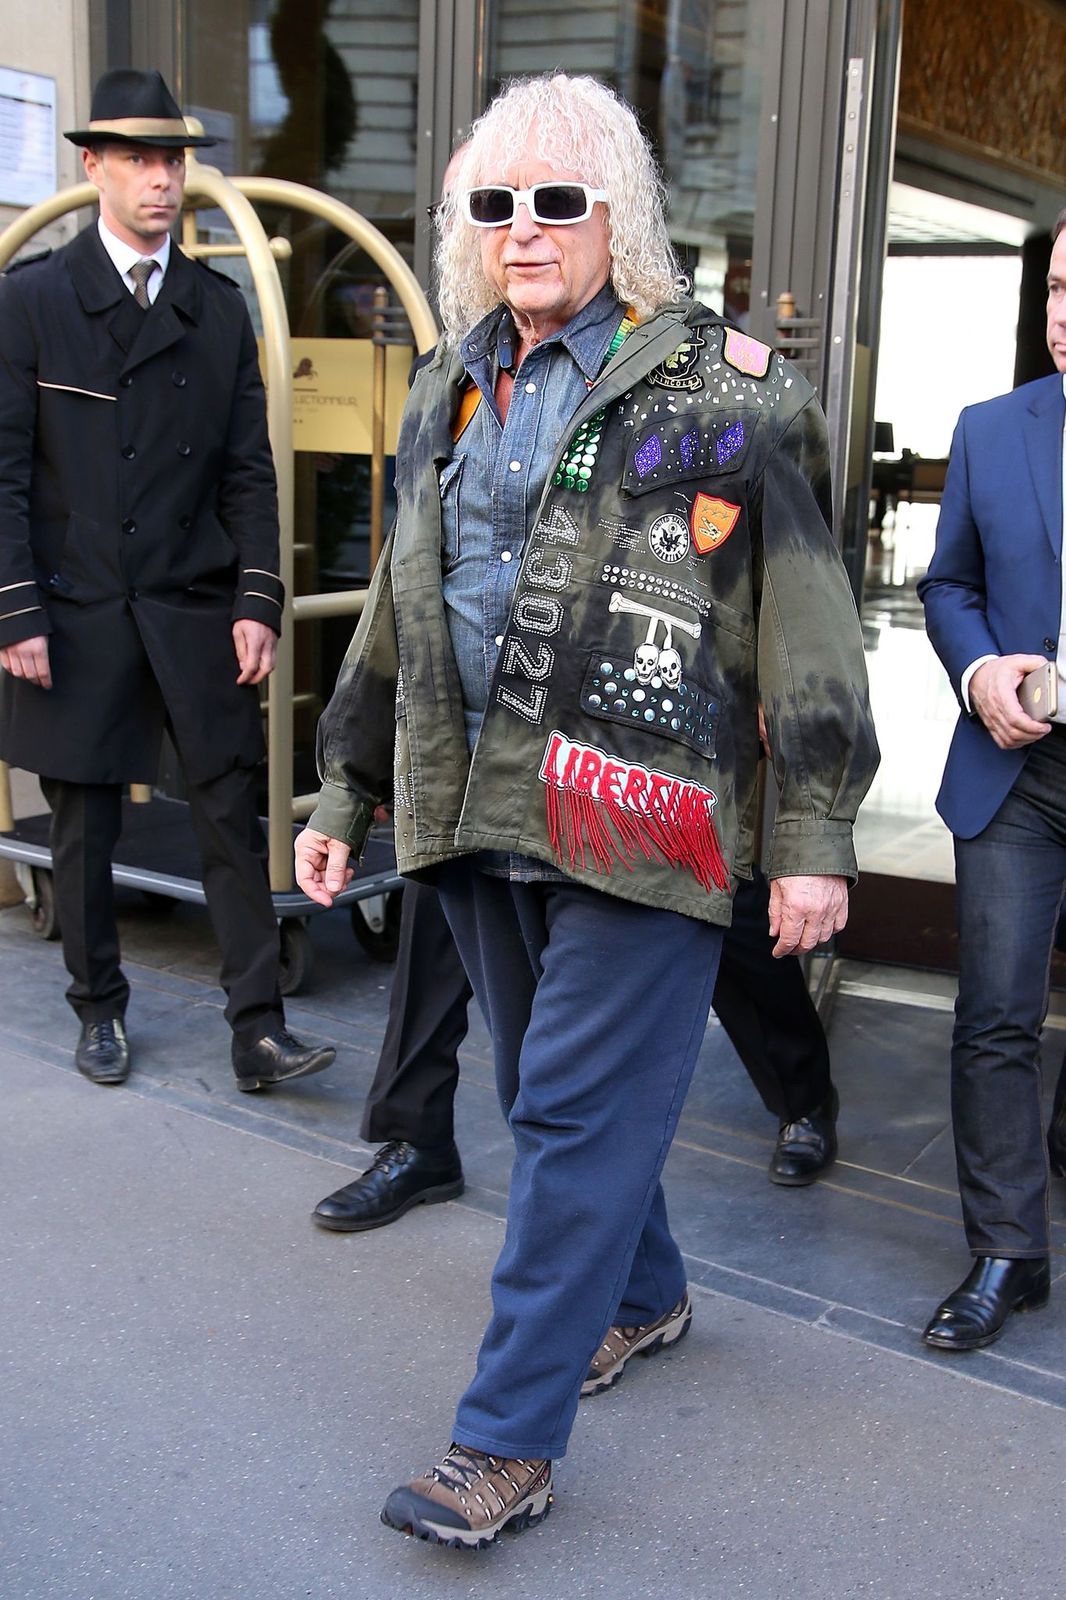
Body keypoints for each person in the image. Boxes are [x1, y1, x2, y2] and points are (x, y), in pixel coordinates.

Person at [296, 73, 877, 1549]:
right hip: (473, 798)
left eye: (558, 200)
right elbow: (396, 603)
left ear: (619, 218)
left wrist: (810, 841)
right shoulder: (451, 381)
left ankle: (501, 1445)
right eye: (494, 205)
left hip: (640, 810)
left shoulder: (735, 389)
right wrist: (346, 784)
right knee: (541, 1102)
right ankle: (644, 1293)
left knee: (562, 1114)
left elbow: (810, 627)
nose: (524, 229)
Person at [0, 68, 335, 1094]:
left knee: (231, 813)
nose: (161, 178)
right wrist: (16, 607)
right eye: (139, 158)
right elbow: (4, 469)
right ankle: (98, 1010)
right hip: (75, 604)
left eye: (174, 158)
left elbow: (249, 468)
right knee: (84, 818)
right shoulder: (31, 300)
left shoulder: (215, 308)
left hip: (192, 605)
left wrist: (257, 598)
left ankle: (257, 1028)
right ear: (93, 165)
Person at [311, 863, 838, 1233]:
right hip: (484, 739)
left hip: (652, 734)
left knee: (720, 895)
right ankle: (416, 1135)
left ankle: (803, 1095)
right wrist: (352, 769)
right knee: (439, 891)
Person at [917, 208, 1066, 1353]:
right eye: (1059, 290)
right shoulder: (990, 427)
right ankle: (1006, 1249)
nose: (1065, 315)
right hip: (1015, 765)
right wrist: (977, 673)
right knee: (996, 1011)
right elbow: (948, 583)